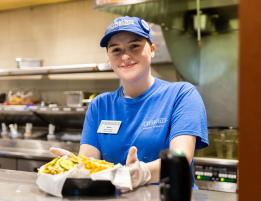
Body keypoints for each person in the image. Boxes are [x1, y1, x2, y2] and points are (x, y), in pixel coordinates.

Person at [51, 16, 208, 190]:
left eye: (135, 46)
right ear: (109, 59)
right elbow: (90, 162)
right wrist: (77, 167)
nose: (125, 56)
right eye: (116, 50)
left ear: (152, 49)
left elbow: (180, 159)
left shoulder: (181, 94)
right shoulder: (100, 105)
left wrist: (143, 173)